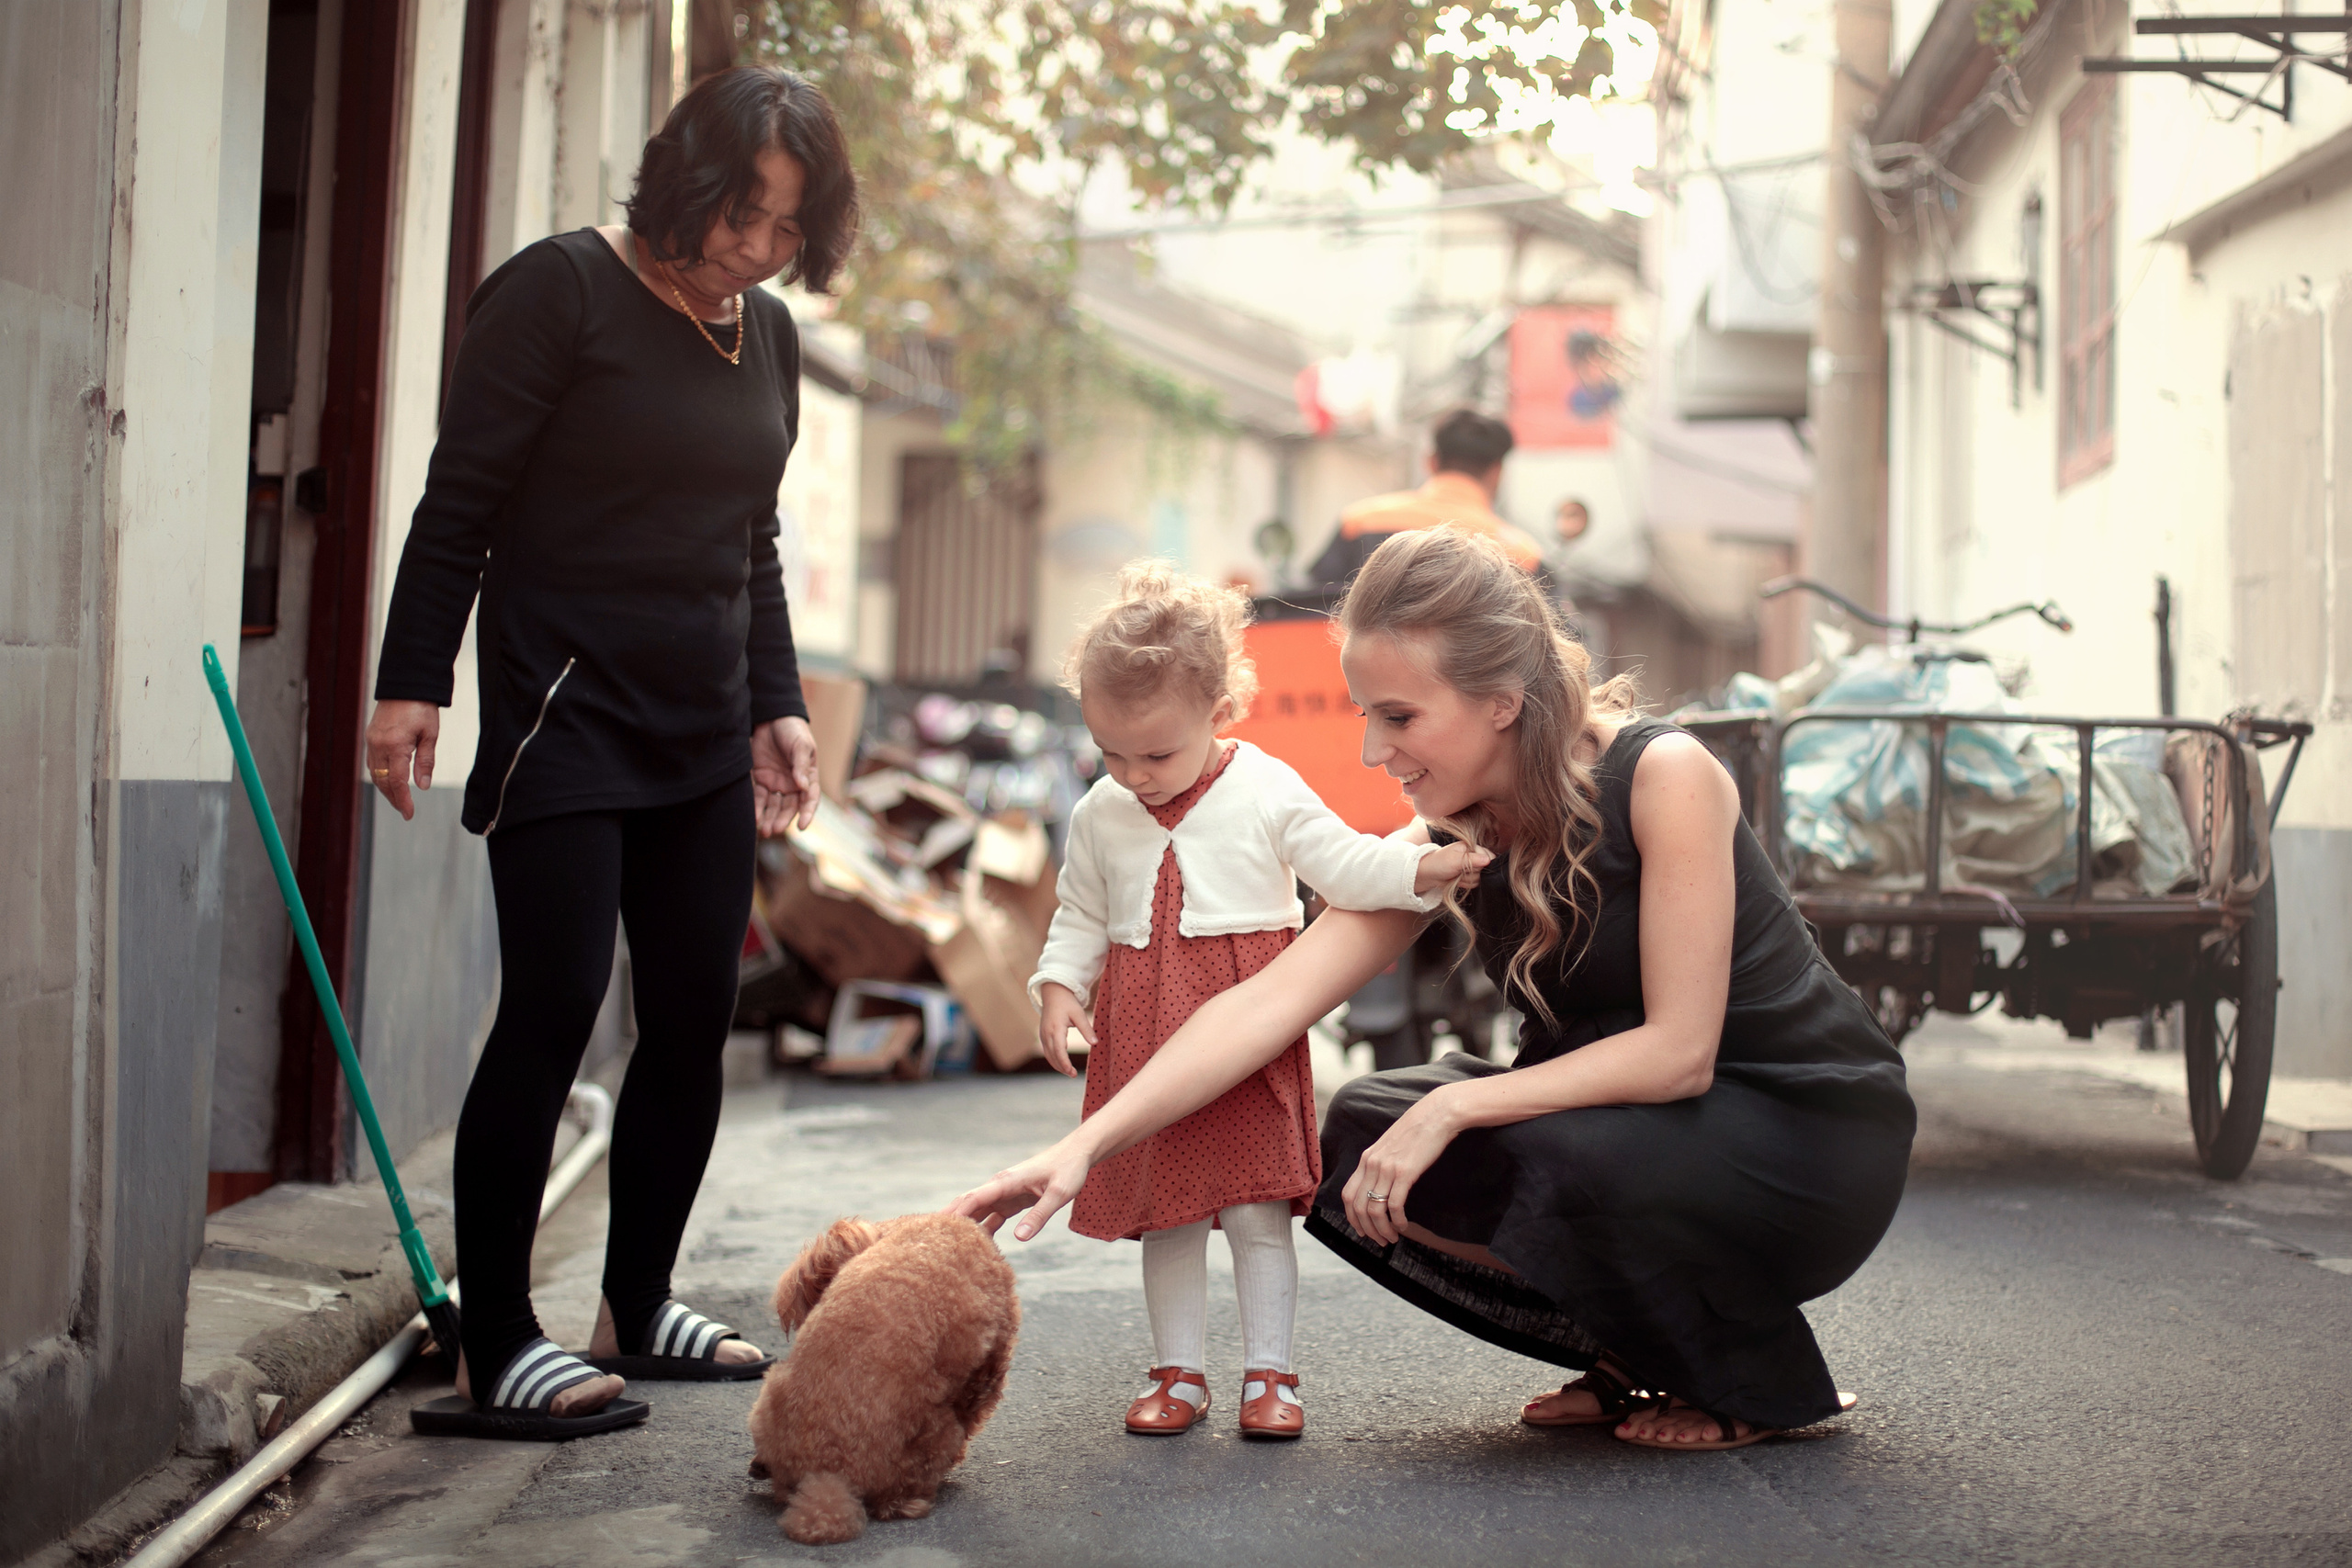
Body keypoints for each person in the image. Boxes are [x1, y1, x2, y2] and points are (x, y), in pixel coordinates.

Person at [956, 526, 1916, 1452]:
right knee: (1355, 1134)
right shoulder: (1452, 837)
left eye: (1400, 717)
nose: (1374, 753)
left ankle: (1750, 1378)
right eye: (1367, 715)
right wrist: (1083, 1145)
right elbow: (1264, 1006)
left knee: (1534, 1149)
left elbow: (1678, 1053)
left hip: (1805, 1140)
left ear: (1501, 699)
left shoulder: (1662, 775)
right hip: (1636, 1136)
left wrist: (1456, 1104)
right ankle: (1638, 1349)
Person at [365, 65, 859, 1440]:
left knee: (697, 1009)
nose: (759, 250)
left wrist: (778, 700)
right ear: (683, 180)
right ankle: (498, 1337)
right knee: (557, 1000)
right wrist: (412, 681)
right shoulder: (558, 293)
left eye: (786, 230)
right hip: (561, 711)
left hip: (702, 725)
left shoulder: (761, 338)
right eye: (742, 215)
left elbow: (746, 538)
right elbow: (458, 496)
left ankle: (635, 1304)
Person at [1031, 562, 1489, 1439]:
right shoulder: (1101, 811)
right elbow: (1080, 911)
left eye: (1157, 752)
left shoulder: (1267, 786)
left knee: (1252, 1207)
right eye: (1112, 753)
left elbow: (1344, 865)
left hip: (1248, 1027)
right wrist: (1059, 983)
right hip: (1142, 1035)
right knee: (1167, 1211)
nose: (1134, 774)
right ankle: (1178, 1370)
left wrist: (1416, 868)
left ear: (1220, 709)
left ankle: (1269, 1373)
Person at [1305, 408, 1546, 588]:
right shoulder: (1523, 554)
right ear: (1496, 472)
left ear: (1430, 461)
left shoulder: (1359, 522)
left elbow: (1312, 605)